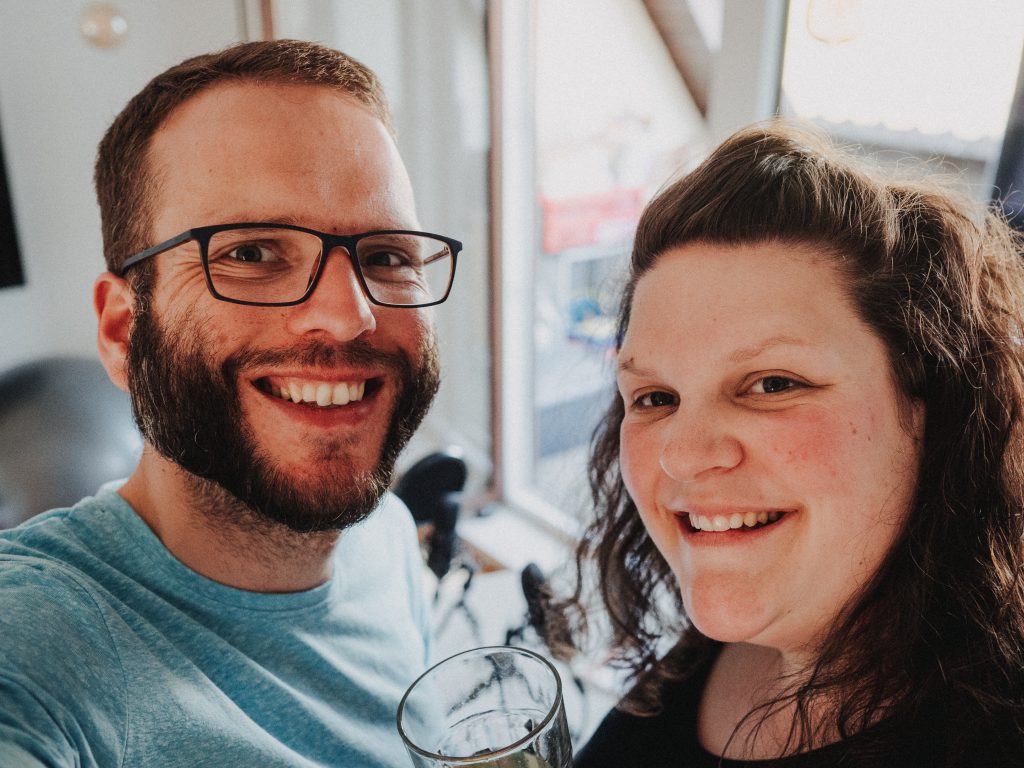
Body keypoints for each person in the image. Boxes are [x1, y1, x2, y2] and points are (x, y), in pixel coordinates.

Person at [0, 39, 464, 767]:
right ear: (123, 331)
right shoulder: (39, 646)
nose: (349, 317)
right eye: (251, 253)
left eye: (385, 256)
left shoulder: (387, 534)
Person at [568, 121, 1024, 766]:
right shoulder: (721, 645)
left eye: (773, 384)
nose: (681, 454)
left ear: (934, 404)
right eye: (655, 397)